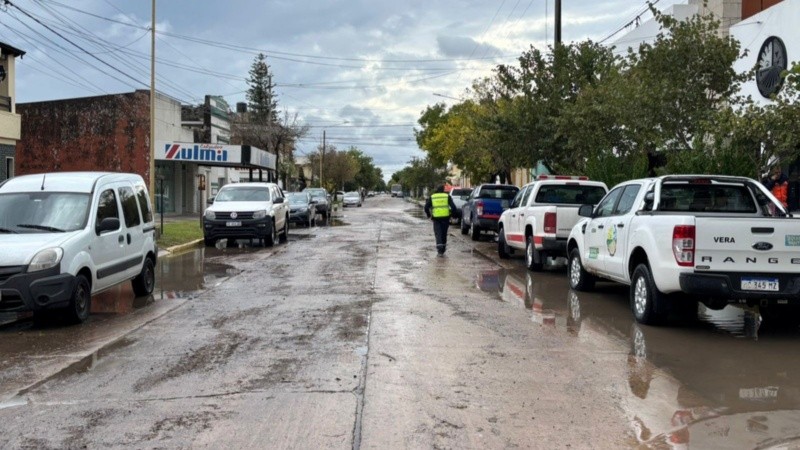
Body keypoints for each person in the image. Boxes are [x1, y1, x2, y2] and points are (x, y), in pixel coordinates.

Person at [424, 185, 458, 257]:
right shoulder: (447, 196)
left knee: (438, 233)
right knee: (444, 233)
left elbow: (426, 207)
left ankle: (440, 249)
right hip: (445, 218)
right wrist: (452, 215)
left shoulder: (433, 197)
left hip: (436, 218)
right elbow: (454, 208)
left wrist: (428, 215)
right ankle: (443, 249)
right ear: (443, 190)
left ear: (436, 190)